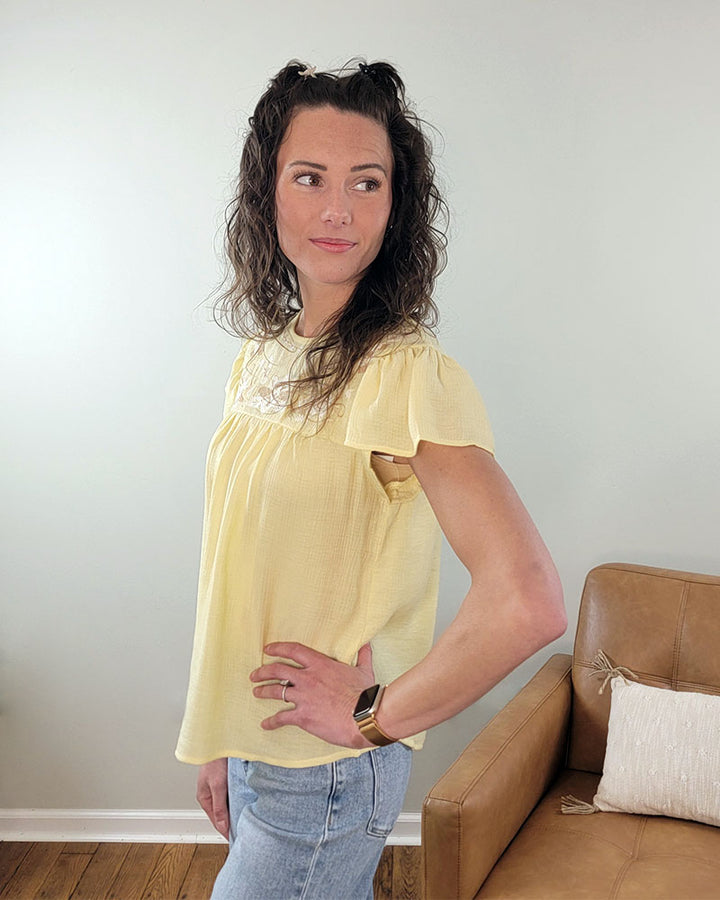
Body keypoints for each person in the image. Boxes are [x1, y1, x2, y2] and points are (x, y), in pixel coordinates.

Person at [176, 59, 567, 900]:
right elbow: (236, 572)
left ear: (396, 205)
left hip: (324, 771)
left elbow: (527, 600)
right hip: (258, 749)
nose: (338, 210)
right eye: (309, 177)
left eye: (366, 182)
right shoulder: (264, 356)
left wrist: (372, 715)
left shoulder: (403, 371)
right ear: (266, 192)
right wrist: (219, 737)